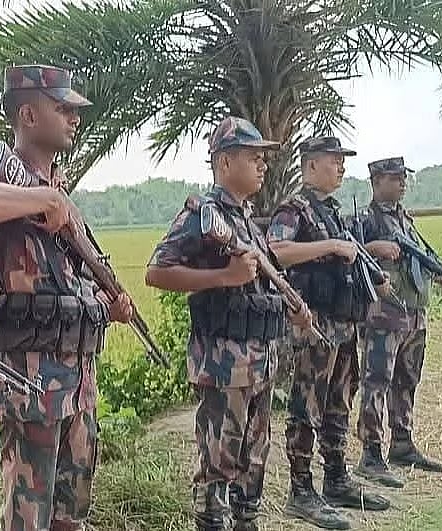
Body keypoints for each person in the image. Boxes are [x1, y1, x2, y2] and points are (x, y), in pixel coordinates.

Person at [0, 64, 133, 531]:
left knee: (73, 509)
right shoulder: (8, 181)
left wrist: (104, 305)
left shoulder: (58, 195)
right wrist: (44, 201)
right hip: (31, 375)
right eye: (63, 108)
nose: (75, 117)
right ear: (28, 115)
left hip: (77, 374)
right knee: (29, 511)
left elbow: (66, 284)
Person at [146, 117, 313, 531]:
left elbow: (260, 283)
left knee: (253, 461)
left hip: (260, 361)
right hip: (224, 363)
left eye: (263, 158)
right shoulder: (202, 216)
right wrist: (222, 277)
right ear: (223, 163)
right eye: (253, 157)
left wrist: (289, 307)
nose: (263, 165)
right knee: (218, 465)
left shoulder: (246, 221)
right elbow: (157, 272)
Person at [266, 137, 392, 530]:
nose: (340, 167)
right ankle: (301, 490)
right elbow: (277, 250)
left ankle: (335, 477)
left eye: (342, 161)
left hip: (343, 323)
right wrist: (332, 245)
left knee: (339, 402)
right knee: (307, 406)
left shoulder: (334, 212)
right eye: (333, 161)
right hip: (313, 325)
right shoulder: (295, 209)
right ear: (310, 166)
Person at [353, 156, 442, 488]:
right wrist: (373, 247)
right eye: (395, 178)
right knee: (376, 383)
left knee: (407, 380)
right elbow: (348, 253)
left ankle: (402, 443)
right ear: (376, 182)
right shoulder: (365, 220)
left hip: (413, 313)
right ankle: (371, 453)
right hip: (383, 316)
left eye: (403, 177)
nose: (402, 182)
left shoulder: (405, 220)